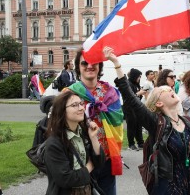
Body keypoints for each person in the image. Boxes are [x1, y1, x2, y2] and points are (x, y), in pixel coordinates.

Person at [105, 46, 190, 195]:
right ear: (159, 103)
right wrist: (117, 64)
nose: (170, 89)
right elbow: (130, 97)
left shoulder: (188, 122)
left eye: (170, 89)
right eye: (164, 91)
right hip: (169, 188)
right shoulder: (157, 123)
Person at [68, 48, 124, 195]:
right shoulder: (69, 93)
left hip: (106, 156)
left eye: (94, 62)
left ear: (99, 66)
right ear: (78, 67)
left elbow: (118, 118)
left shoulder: (110, 91)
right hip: (81, 159)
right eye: (84, 63)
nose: (89, 66)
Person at [44, 90, 105, 195]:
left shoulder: (84, 133)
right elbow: (66, 179)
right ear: (62, 111)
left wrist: (93, 138)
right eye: (74, 105)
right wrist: (89, 166)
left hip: (87, 190)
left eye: (81, 104)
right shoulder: (54, 143)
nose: (81, 108)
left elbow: (99, 162)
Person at [123, 68, 145, 151]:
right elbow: (128, 97)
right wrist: (139, 93)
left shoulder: (135, 84)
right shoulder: (128, 84)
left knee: (138, 125)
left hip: (137, 108)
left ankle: (140, 142)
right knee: (131, 126)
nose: (139, 78)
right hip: (129, 108)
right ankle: (131, 144)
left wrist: (140, 93)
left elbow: (136, 96)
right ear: (134, 76)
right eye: (138, 76)